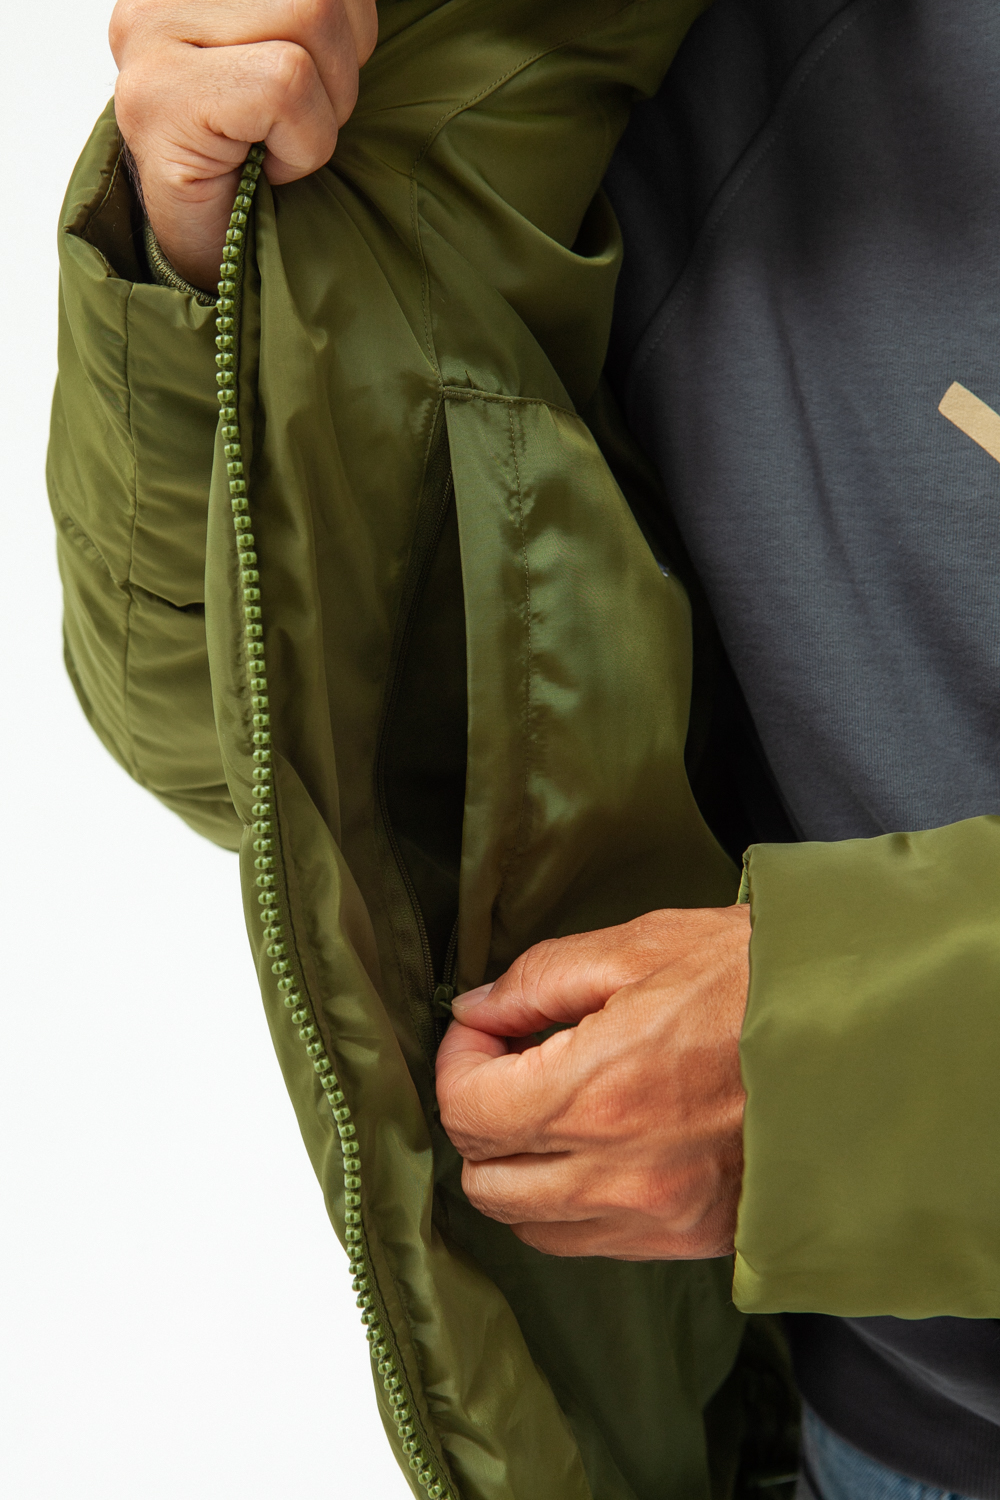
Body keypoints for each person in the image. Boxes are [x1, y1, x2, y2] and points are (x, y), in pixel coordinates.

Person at [53, 1, 1000, 1497]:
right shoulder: (529, 45)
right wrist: (196, 241)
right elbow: (253, 769)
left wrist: (857, 1071)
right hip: (848, 1423)